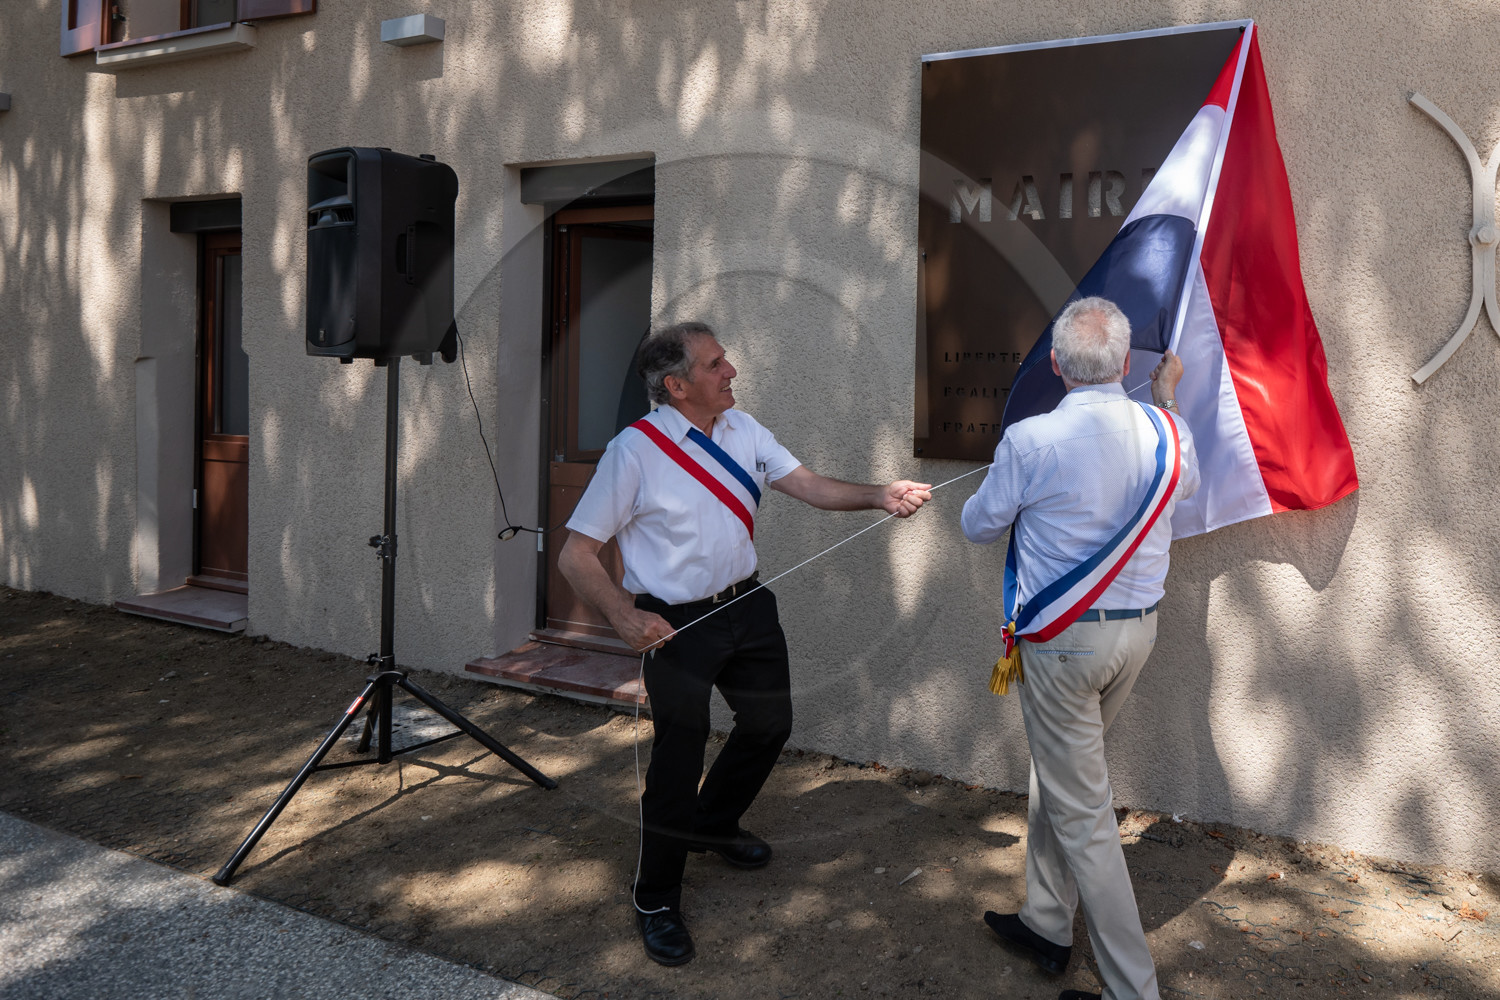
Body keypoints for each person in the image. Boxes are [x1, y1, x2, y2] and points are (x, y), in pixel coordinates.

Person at [558, 320, 932, 967]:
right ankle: (656, 899)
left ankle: (712, 822)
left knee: (769, 724)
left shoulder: (743, 429)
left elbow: (809, 486)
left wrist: (880, 495)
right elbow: (577, 554)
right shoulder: (634, 451)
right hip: (672, 622)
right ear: (676, 386)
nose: (730, 371)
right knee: (678, 758)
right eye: (714, 365)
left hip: (747, 605)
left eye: (725, 360)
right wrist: (622, 616)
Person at [960, 297, 1200, 1000]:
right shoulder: (1168, 434)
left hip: (1064, 644)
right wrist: (1168, 396)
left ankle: (1133, 990)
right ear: (1127, 364)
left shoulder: (1031, 440)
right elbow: (1184, 479)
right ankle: (1045, 920)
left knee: (1085, 816)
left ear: (1058, 366)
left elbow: (978, 525)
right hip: (1136, 633)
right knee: (1061, 778)